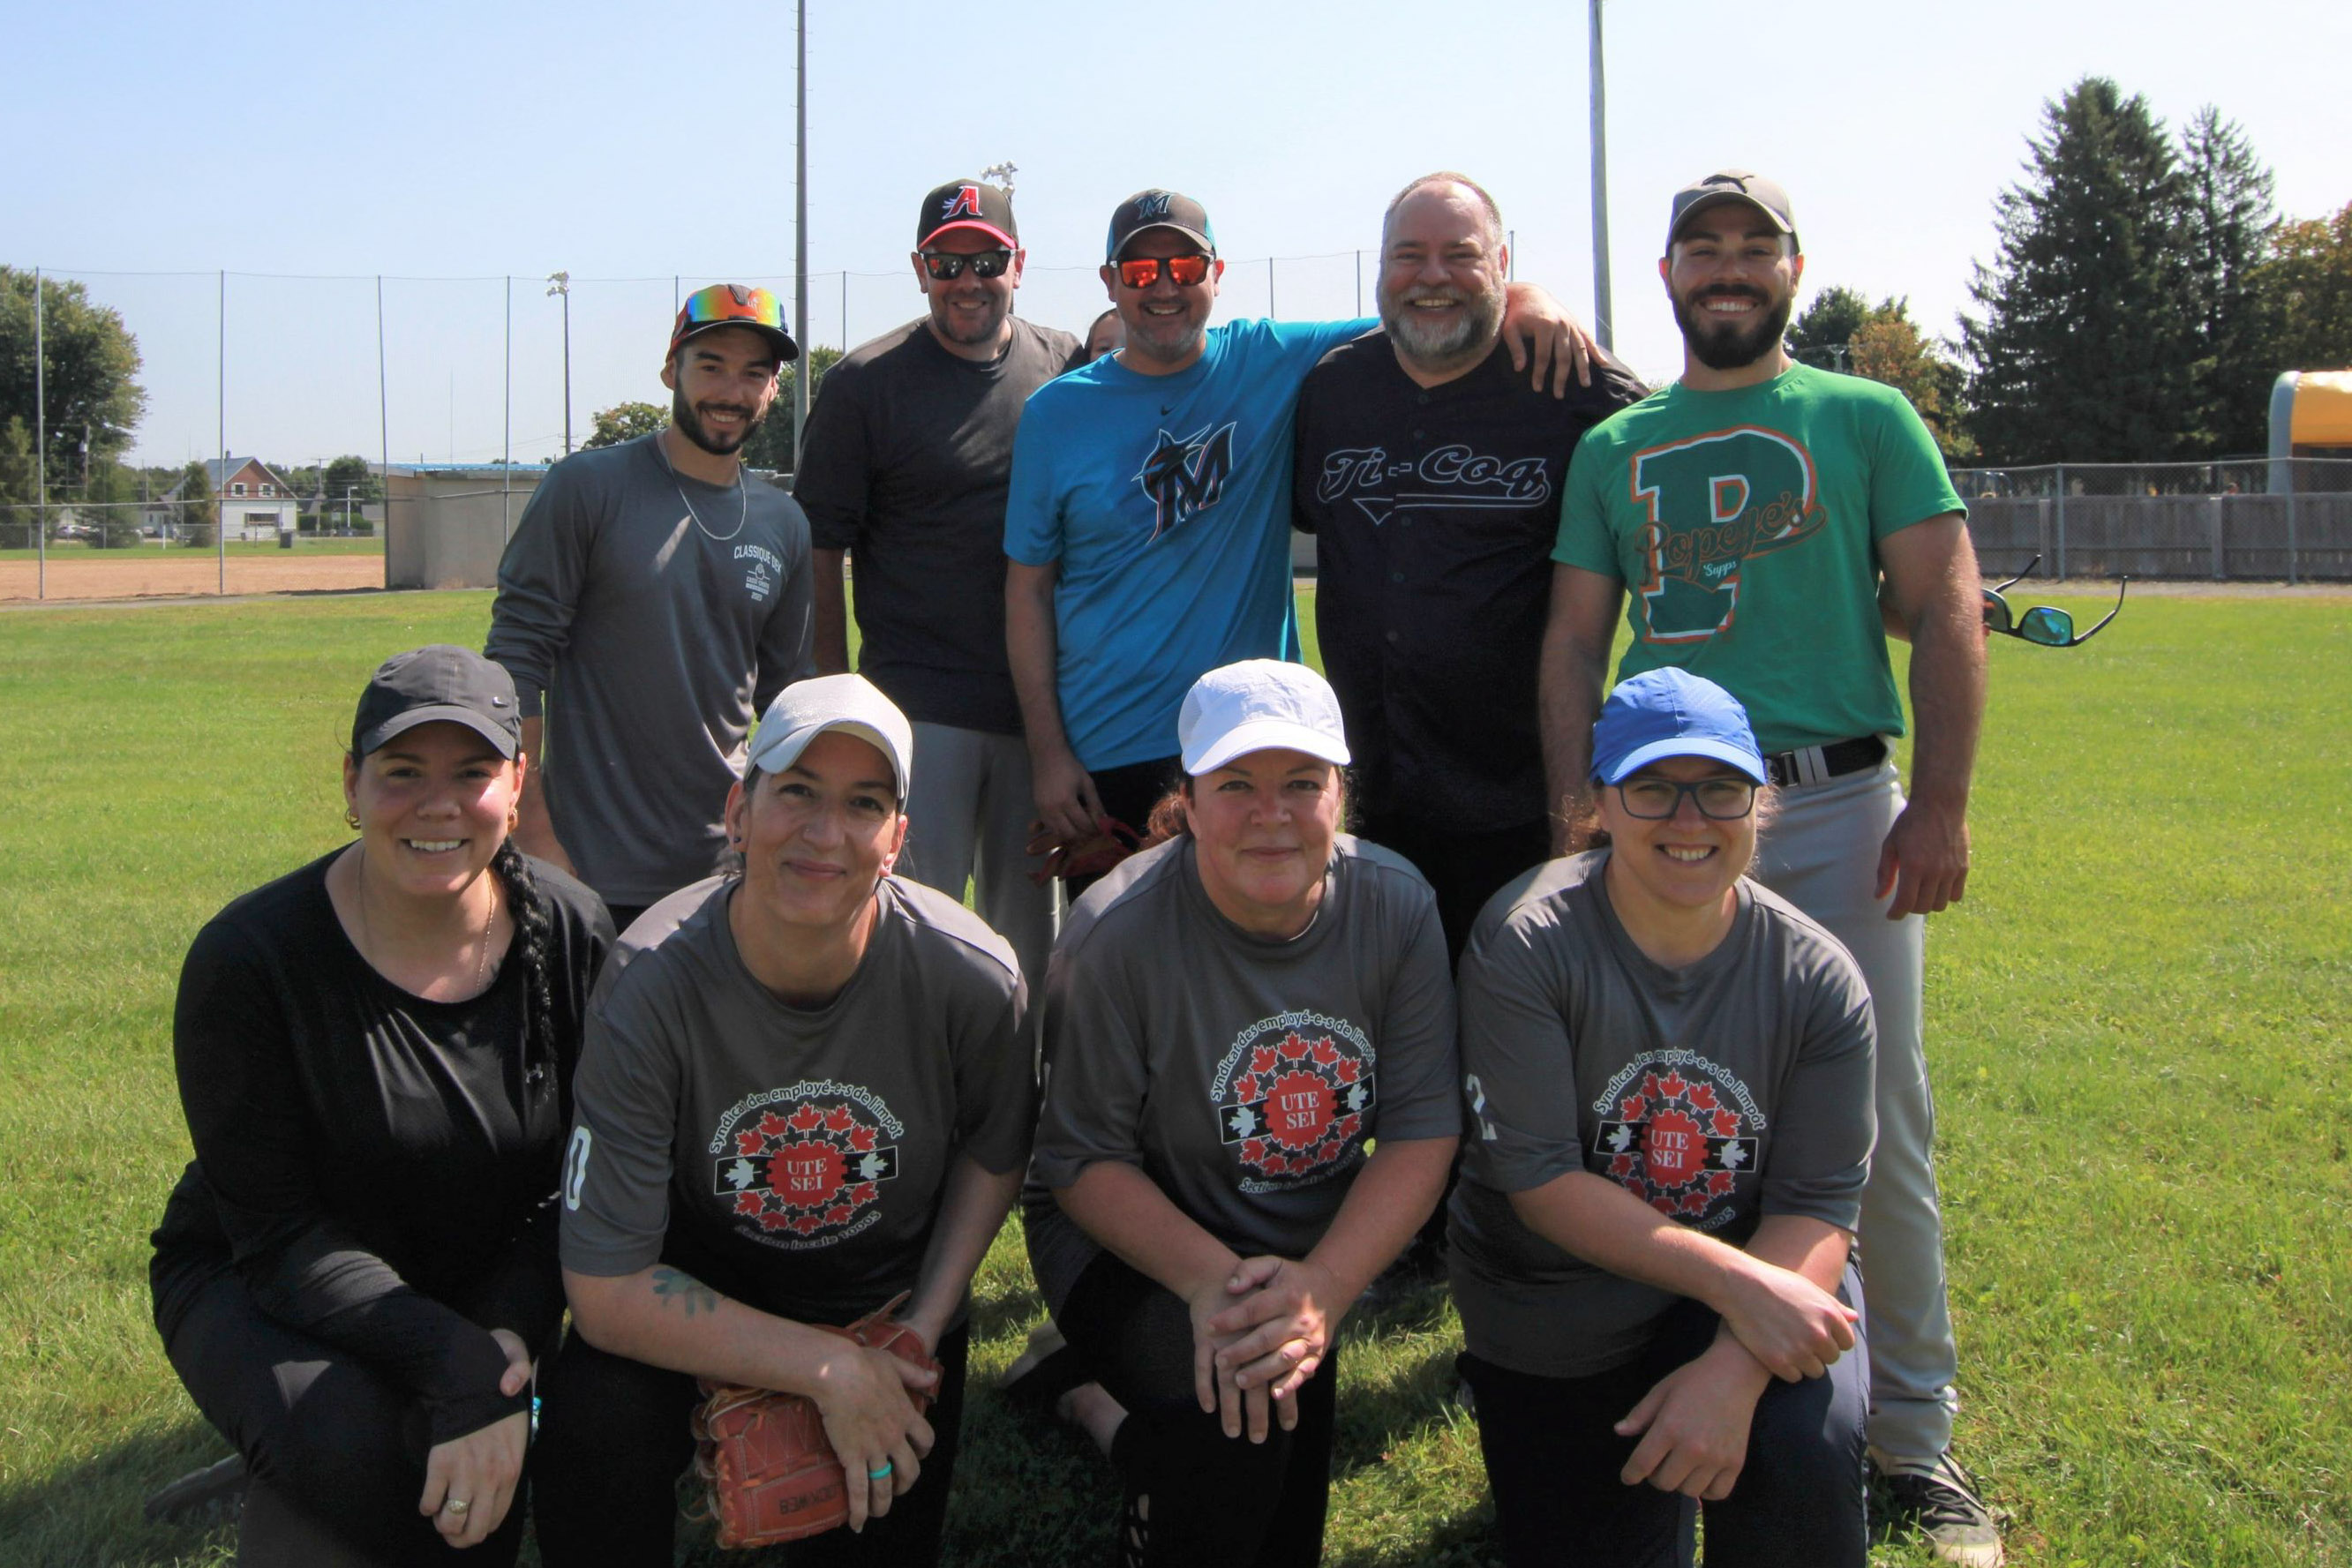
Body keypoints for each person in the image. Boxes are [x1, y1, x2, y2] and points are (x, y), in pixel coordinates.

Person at [1540, 169, 1998, 1564]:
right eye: (1704, 248)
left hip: (1832, 795)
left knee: (1876, 1125)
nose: (1728, 268)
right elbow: (1572, 636)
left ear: (1792, 269)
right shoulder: (1619, 442)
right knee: (1637, 1107)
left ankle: (1914, 1439)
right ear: (1669, 275)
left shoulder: (1863, 417)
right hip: (1662, 814)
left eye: (1754, 246)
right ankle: (1618, 1373)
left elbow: (1948, 603)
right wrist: (1574, 792)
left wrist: (1944, 804)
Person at [533, 674, 1033, 1566]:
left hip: (883, 1305)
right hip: (707, 1298)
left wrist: (919, 1326)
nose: (823, 832)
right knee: (595, 1425)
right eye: (796, 791)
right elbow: (605, 1290)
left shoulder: (972, 976)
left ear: (898, 840)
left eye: (863, 804)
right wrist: (821, 1369)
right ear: (739, 808)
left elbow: (994, 1152)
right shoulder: (651, 981)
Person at [148, 644, 612, 1564]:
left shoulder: (569, 931)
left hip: (481, 1279)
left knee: (468, 1472)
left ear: (516, 784)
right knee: (364, 1448)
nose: (436, 805)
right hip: (262, 1279)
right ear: (352, 784)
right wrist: (460, 1366)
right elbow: (277, 1233)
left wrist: (506, 1332)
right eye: (402, 773)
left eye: (472, 772)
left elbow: (581, 1183)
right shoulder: (251, 957)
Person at [1005, 187, 1595, 889]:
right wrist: (1047, 753)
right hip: (1108, 747)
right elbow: (1027, 588)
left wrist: (1520, 291)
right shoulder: (1054, 414)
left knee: (1267, 962)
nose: (1163, 286)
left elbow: (1426, 308)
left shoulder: (1268, 359)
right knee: (1118, 977)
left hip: (1251, 740)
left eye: (1185, 268)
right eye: (1138, 272)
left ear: (1216, 275)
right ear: (1109, 283)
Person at [1016, 659, 1460, 1567]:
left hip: (1303, 1261)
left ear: (1342, 792)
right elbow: (1082, 1164)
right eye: (1236, 785)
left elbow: (1421, 1127)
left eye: (1303, 783)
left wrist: (1326, 1287)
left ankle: (1091, 1401)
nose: (1272, 813)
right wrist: (1214, 1284)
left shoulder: (1398, 906)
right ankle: (1120, 1413)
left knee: (1268, 1488)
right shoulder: (1112, 933)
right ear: (1186, 795)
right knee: (1238, 1428)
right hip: (1129, 1242)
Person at [1451, 668, 1875, 1568]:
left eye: (1720, 788)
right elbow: (1540, 1182)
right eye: (1651, 788)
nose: (1689, 820)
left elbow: (1816, 1202)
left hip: (1748, 1274)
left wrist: (1735, 1364)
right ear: (1601, 800)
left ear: (1759, 801)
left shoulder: (1818, 977)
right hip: (1556, 1300)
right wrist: (1743, 1292)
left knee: (1798, 1453)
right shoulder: (1526, 941)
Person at [1294, 171, 1649, 964]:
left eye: (1460, 255)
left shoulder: (1570, 384)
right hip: (1370, 807)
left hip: (1519, 806)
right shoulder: (1332, 388)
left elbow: (1682, 469)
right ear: (1379, 268)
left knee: (1519, 1044)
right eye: (1407, 255)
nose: (1431, 276)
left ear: (1501, 263)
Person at [793, 179, 1081, 989]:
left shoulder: (1064, 364)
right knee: (908, 941)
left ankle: (1017, 1112)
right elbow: (820, 547)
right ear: (920, 270)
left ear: (1018, 264)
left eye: (986, 258)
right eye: (947, 261)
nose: (968, 278)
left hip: (1040, 716)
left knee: (1027, 950)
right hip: (918, 712)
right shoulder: (865, 381)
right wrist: (831, 699)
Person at [487, 283, 815, 932]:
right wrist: (534, 832)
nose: (731, 390)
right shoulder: (587, 487)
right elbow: (515, 660)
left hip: (727, 868)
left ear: (773, 391)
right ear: (671, 370)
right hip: (586, 868)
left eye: (755, 372)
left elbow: (788, 703)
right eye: (711, 365)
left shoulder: (784, 522)